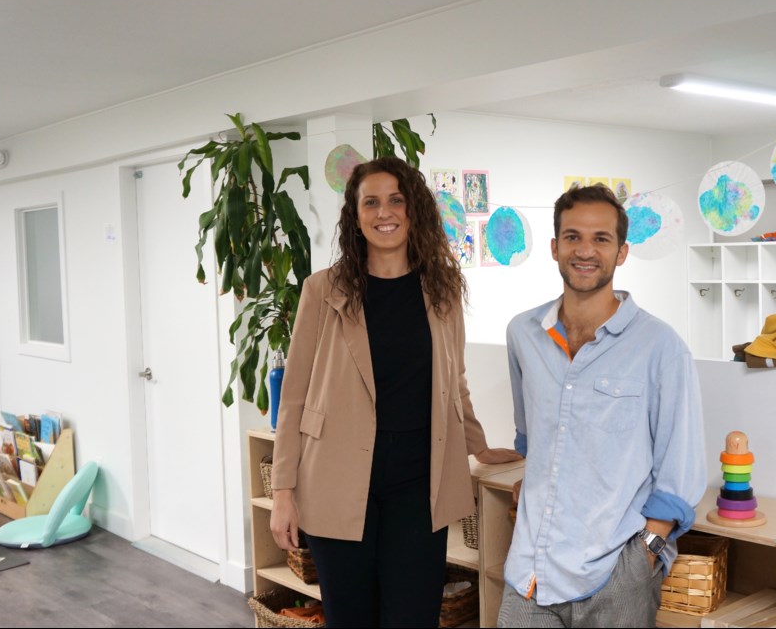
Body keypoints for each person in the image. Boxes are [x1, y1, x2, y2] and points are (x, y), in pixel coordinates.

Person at [268, 156, 521, 628]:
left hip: (418, 482)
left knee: (412, 617)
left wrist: (479, 446)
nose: (384, 212)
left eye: (396, 200)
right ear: (356, 214)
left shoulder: (442, 290)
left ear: (413, 210)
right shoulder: (322, 291)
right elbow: (294, 397)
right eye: (371, 202)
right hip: (337, 479)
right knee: (352, 618)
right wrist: (283, 491)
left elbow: (455, 382)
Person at [497, 184, 706, 628]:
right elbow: (532, 439)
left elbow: (681, 470)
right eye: (572, 237)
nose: (585, 250)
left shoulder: (661, 347)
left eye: (601, 239)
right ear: (554, 248)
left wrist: (646, 554)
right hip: (531, 570)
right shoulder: (523, 334)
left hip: (617, 574)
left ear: (622, 252)